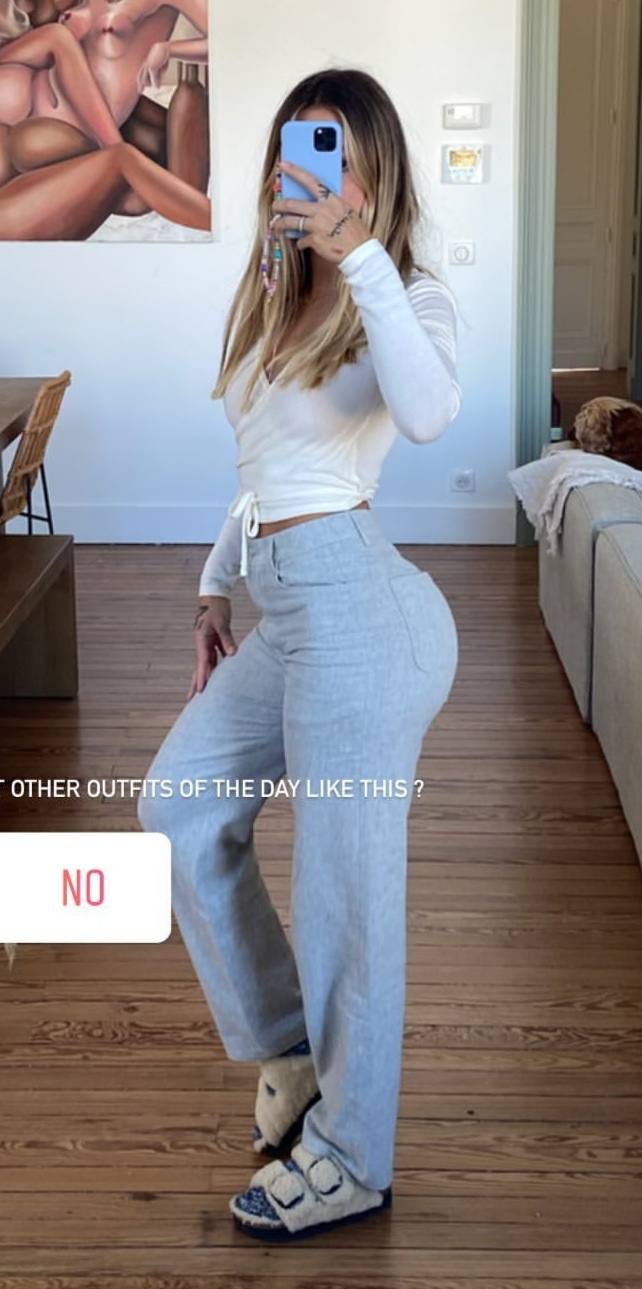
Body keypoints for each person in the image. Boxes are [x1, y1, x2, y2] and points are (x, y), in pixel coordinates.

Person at [137, 67, 462, 1242]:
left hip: (362, 613)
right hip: (287, 605)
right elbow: (264, 469)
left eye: (327, 151)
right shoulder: (278, 296)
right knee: (178, 802)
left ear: (370, 167)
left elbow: (426, 413)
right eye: (290, 150)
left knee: (345, 899)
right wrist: (215, 580)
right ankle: (292, 1051)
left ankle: (353, 1156)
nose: (303, 172)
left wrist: (359, 253)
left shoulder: (406, 292)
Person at [0, 0, 210, 236]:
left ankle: (222, 225)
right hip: (43, 127)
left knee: (146, 165)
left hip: (63, 137)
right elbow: (53, 38)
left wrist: (170, 50)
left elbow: (224, 43)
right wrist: (114, 148)